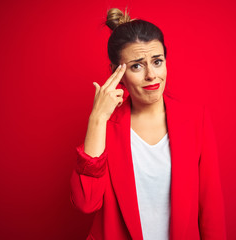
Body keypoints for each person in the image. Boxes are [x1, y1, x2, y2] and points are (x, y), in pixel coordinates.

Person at [70, 8, 227, 240]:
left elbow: (211, 207)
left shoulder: (195, 120)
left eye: (157, 61)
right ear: (117, 74)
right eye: (137, 66)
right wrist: (97, 119)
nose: (152, 75)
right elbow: (86, 202)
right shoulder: (106, 126)